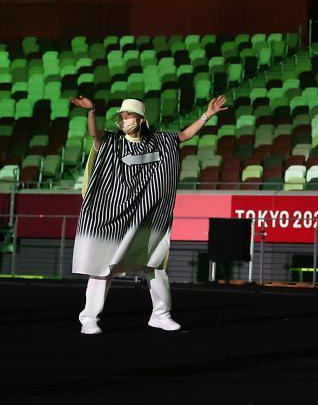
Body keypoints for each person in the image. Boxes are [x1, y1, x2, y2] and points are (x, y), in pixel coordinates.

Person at [69, 94, 228, 334]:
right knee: (103, 266)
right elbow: (95, 134)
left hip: (146, 216)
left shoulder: (159, 141)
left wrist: (207, 114)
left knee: (155, 264)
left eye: (129, 115)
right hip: (112, 215)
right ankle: (89, 318)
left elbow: (184, 136)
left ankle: (161, 315)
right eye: (121, 116)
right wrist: (91, 111)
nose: (124, 120)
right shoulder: (112, 142)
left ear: (141, 119)